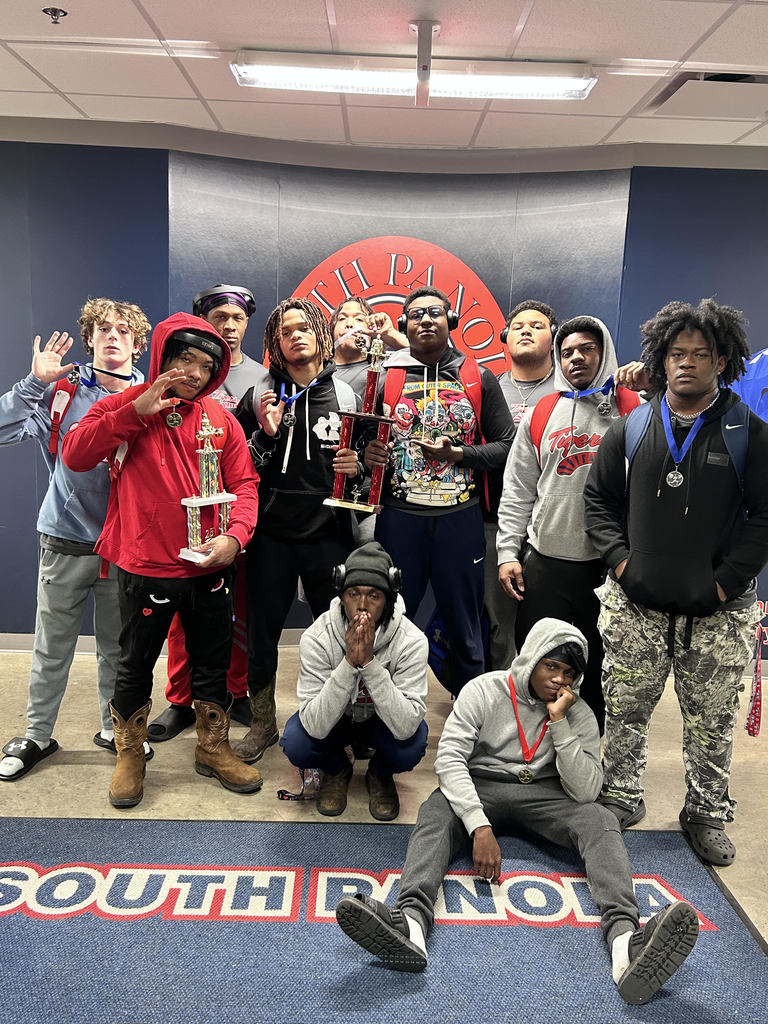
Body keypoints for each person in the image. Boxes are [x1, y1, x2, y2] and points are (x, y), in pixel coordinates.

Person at [335, 618, 699, 1006]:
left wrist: (559, 723)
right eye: (551, 666)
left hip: (546, 793)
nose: (559, 679)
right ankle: (410, 923)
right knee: (437, 810)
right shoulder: (483, 691)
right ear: (531, 659)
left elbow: (586, 791)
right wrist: (479, 826)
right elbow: (450, 760)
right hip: (482, 784)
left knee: (600, 819)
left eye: (569, 673)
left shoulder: (578, 713)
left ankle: (626, 943)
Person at [584, 298, 768, 864]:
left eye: (701, 354)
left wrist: (723, 584)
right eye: (676, 353)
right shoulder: (632, 426)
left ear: (722, 361)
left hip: (717, 613)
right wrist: (622, 565)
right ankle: (621, 794)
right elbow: (598, 502)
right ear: (660, 361)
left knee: (712, 720)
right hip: (635, 607)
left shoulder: (748, 433)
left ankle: (705, 812)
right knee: (625, 707)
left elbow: (764, 518)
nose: (686, 363)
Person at [62, 312, 262, 807]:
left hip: (211, 567)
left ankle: (212, 747)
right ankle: (130, 754)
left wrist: (235, 539)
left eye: (206, 366)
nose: (194, 373)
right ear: (163, 357)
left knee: (212, 662)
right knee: (134, 665)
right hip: (145, 565)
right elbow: (75, 455)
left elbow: (245, 485)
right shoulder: (122, 404)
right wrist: (135, 411)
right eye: (185, 359)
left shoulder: (221, 419)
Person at [0, 298, 149, 782]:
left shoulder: (151, 394)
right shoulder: (61, 392)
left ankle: (113, 728)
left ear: (137, 342)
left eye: (123, 329)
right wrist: (33, 383)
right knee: (52, 647)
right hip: (65, 539)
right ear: (89, 339)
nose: (113, 335)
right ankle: (37, 735)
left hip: (122, 546)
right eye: (103, 329)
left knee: (117, 648)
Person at [365, 287, 514, 696]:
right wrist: (370, 454)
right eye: (416, 314)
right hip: (399, 519)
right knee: (390, 622)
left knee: (466, 627)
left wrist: (460, 454)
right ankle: (385, 710)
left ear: (450, 321)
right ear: (403, 325)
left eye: (435, 312)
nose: (426, 320)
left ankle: (471, 713)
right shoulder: (387, 378)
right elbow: (363, 442)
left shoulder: (478, 377)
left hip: (458, 519)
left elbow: (506, 445)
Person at [497, 315, 641, 729]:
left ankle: (586, 746)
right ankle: (529, 741)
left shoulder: (634, 408)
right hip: (546, 560)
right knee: (537, 662)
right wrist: (508, 553)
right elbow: (518, 489)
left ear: (604, 353)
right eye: (567, 352)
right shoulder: (542, 412)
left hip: (606, 565)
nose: (576, 358)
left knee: (599, 669)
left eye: (587, 349)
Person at [233, 298, 359, 763]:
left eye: (304, 327)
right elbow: (237, 466)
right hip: (271, 535)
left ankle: (334, 720)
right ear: (275, 342)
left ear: (321, 335)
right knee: (262, 633)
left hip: (328, 533)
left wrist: (359, 469)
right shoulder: (258, 395)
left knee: (336, 634)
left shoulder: (347, 396)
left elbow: (365, 469)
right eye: (285, 331)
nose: (295, 336)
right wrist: (265, 435)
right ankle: (263, 721)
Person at [148, 284, 269, 743]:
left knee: (234, 614)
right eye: (220, 318)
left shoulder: (263, 377)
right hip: (185, 515)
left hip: (239, 512)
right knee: (185, 618)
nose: (229, 327)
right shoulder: (176, 375)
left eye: (237, 319)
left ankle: (231, 693)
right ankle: (181, 700)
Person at [280, 541, 428, 819]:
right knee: (296, 742)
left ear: (388, 600)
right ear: (341, 595)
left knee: (413, 744)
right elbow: (313, 724)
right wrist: (349, 663)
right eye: (353, 594)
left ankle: (380, 774)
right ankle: (336, 769)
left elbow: (407, 725)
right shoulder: (317, 637)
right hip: (337, 722)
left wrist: (370, 664)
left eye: (374, 595)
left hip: (380, 722)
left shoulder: (411, 641)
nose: (362, 606)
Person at [485, 301, 558, 671]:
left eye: (537, 325)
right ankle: (499, 694)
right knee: (498, 625)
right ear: (504, 337)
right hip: (495, 523)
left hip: (551, 528)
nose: (526, 330)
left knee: (547, 626)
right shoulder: (489, 388)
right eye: (518, 326)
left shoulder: (568, 390)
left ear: (554, 338)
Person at [330, 296, 407, 401]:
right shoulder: (318, 368)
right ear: (332, 329)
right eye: (342, 318)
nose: (349, 324)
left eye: (359, 319)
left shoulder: (383, 370)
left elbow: (425, 356)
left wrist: (390, 334)